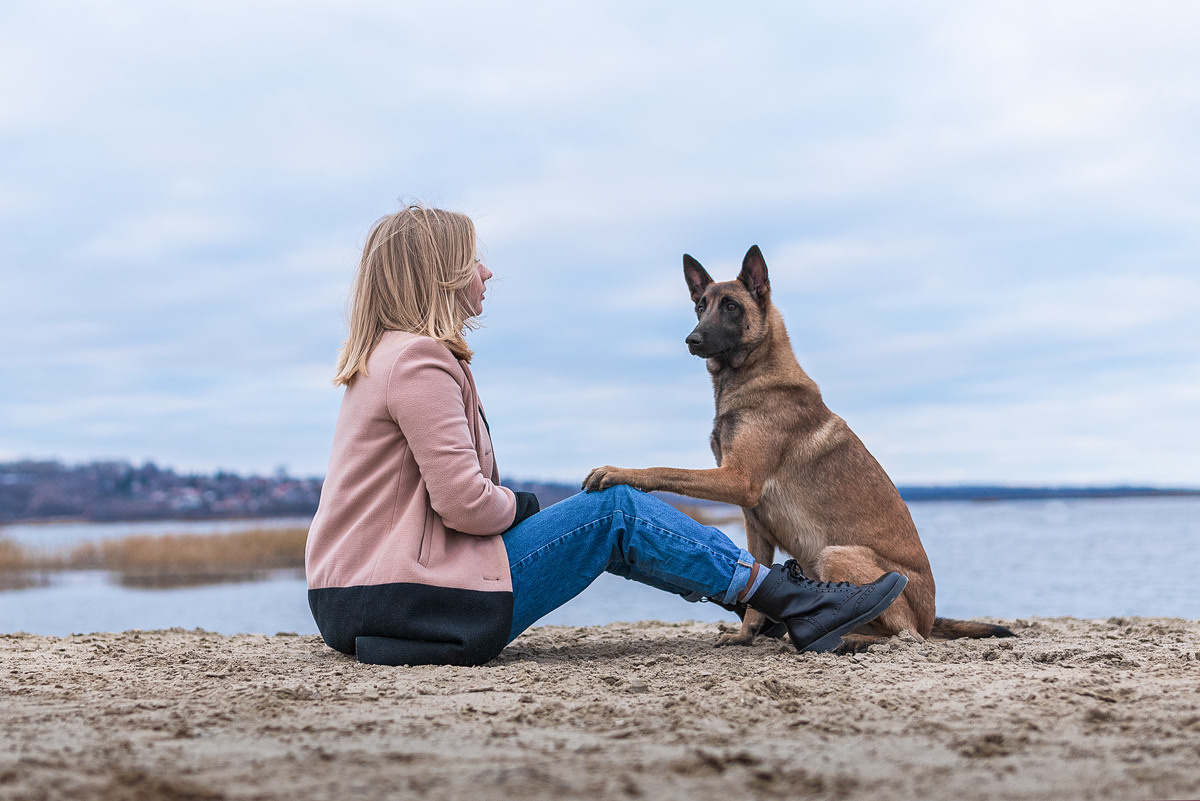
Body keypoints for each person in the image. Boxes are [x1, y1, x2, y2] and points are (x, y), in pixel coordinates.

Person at [304, 204, 907, 667]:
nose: (486, 271)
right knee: (615, 510)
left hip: (360, 597)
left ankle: (774, 603)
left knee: (610, 523)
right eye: (472, 260)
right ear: (437, 275)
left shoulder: (380, 359)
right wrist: (529, 508)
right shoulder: (419, 360)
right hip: (414, 599)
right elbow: (464, 503)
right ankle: (798, 601)